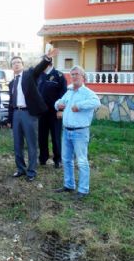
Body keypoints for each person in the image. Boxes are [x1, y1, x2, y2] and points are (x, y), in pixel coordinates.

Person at [8, 49, 59, 182]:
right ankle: (20, 169)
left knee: (31, 143)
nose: (17, 64)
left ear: (22, 65)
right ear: (11, 67)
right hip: (16, 114)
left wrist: (47, 58)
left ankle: (31, 171)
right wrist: (9, 119)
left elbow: (38, 68)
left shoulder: (29, 75)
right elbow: (10, 102)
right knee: (17, 143)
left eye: (19, 62)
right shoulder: (11, 83)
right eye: (14, 63)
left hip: (28, 114)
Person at [54, 65, 100, 199]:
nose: (73, 77)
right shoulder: (69, 92)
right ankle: (69, 185)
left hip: (80, 132)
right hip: (66, 131)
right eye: (72, 74)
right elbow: (58, 102)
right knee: (66, 160)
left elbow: (96, 102)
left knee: (81, 161)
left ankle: (83, 190)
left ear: (83, 77)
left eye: (76, 74)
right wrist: (58, 105)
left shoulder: (87, 93)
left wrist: (79, 106)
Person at [37, 63, 67, 168]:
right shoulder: (39, 75)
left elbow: (63, 94)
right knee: (42, 136)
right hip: (41, 112)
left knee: (56, 136)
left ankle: (57, 159)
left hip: (54, 112)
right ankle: (43, 158)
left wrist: (60, 110)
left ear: (49, 63)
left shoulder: (59, 75)